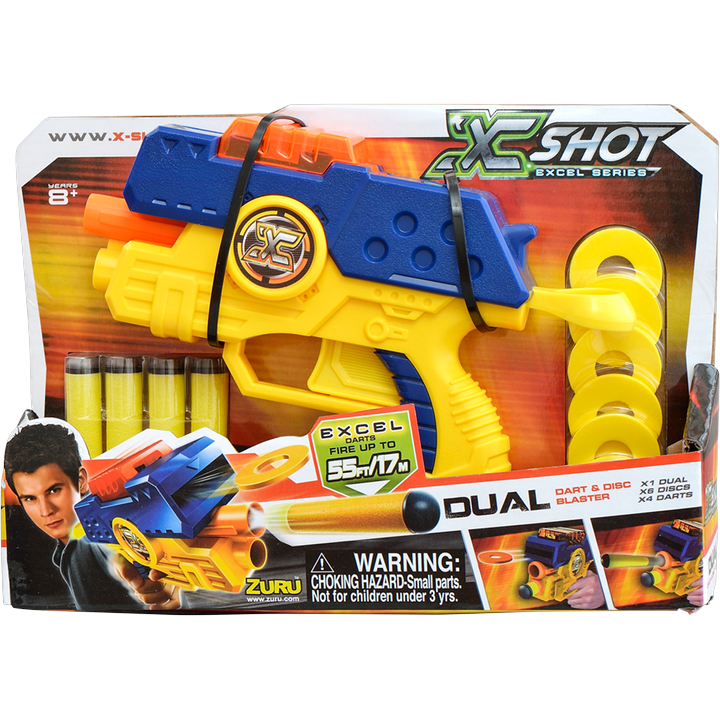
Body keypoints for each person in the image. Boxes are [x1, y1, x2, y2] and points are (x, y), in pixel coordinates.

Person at [3, 417, 179, 611]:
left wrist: (134, 562)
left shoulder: (96, 537)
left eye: (54, 490)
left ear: (80, 481)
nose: (45, 511)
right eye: (30, 498)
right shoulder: (64, 550)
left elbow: (111, 549)